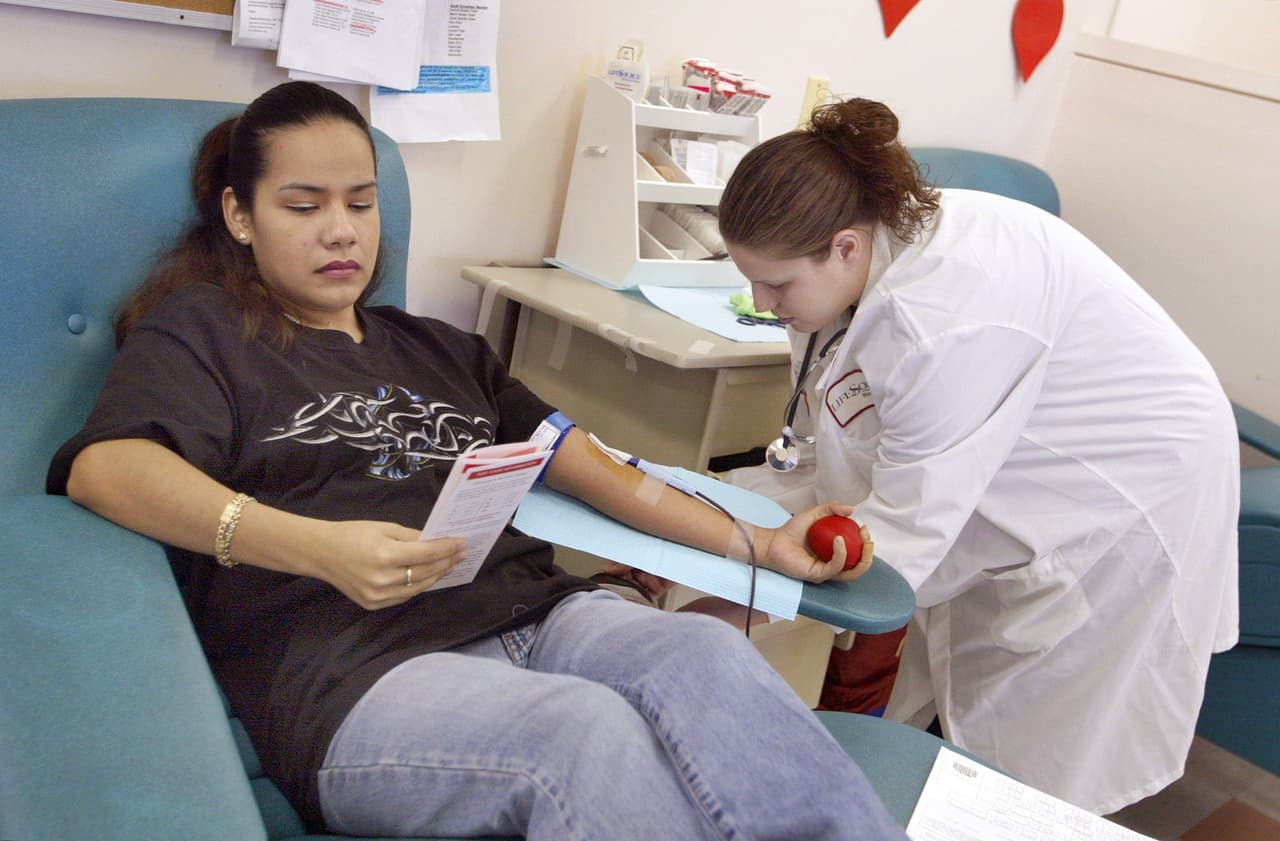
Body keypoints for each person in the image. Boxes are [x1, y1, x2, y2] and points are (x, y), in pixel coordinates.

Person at [45, 81, 906, 841]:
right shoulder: (202, 331)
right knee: (586, 733)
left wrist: (758, 546)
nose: (341, 231)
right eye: (303, 207)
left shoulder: (440, 348)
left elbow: (604, 475)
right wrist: (316, 547)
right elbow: (107, 468)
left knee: (708, 657)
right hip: (352, 667)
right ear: (240, 216)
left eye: (360, 201)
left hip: (538, 611)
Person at [715, 96, 1240, 815]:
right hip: (1024, 444)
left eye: (775, 285)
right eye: (751, 278)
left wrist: (741, 596)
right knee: (951, 696)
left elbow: (894, 548)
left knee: (1028, 758)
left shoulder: (935, 322)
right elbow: (847, 453)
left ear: (843, 245)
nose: (761, 300)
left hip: (1124, 485)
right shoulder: (860, 257)